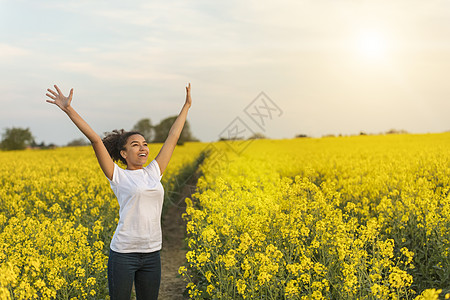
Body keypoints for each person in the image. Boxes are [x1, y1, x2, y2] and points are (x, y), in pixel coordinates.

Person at [46, 83, 192, 300]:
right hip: (124, 254)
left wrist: (187, 106)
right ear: (123, 153)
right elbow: (96, 140)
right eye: (135, 145)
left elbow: (172, 138)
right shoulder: (118, 176)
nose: (143, 148)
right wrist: (68, 109)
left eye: (144, 144)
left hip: (152, 253)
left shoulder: (153, 172)